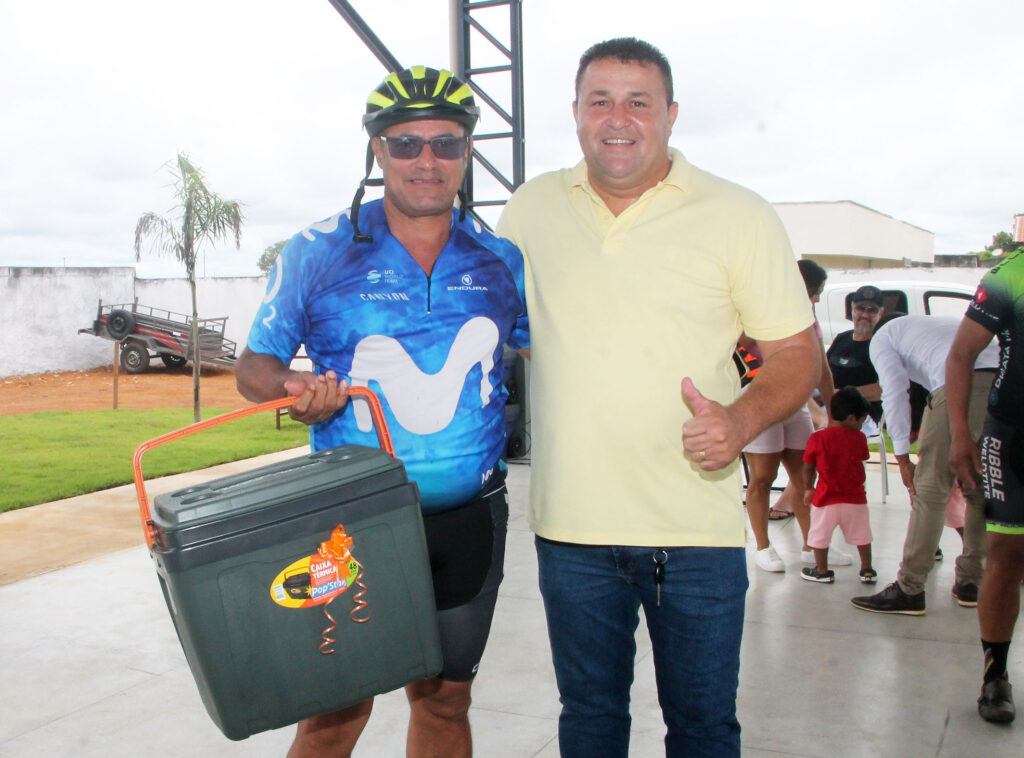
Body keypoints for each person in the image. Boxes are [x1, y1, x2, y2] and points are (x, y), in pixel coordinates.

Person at [497, 38, 819, 758]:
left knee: (704, 730)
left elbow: (799, 355)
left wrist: (740, 419)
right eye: (600, 100)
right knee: (589, 722)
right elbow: (479, 321)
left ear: (670, 114)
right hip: (570, 532)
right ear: (575, 114)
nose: (619, 117)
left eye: (639, 101)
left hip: (696, 534)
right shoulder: (530, 209)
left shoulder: (740, 214)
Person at [235, 66, 529, 758]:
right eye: (405, 144)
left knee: (446, 702)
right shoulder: (317, 251)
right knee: (335, 715)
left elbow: (533, 355)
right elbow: (254, 368)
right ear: (377, 150)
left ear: (466, 151)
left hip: (470, 518)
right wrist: (298, 394)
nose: (426, 161)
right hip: (351, 518)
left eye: (446, 143)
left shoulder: (500, 258)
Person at [850, 314, 998, 616]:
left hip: (961, 384)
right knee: (979, 489)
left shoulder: (883, 337)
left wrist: (902, 457)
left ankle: (909, 589)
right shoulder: (932, 327)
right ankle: (972, 582)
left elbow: (894, 393)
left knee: (929, 490)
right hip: (1005, 387)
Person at [946, 250, 1024, 724]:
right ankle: (995, 674)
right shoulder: (1010, 275)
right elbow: (961, 353)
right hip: (1013, 437)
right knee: (1006, 556)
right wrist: (959, 432)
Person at [742, 258, 838, 573]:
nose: (818, 299)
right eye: (816, 292)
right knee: (763, 479)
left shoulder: (809, 319)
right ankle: (763, 547)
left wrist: (831, 406)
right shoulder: (762, 310)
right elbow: (740, 344)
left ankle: (814, 545)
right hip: (759, 401)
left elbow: (820, 362)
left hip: (795, 402)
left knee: (804, 477)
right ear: (800, 289)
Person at [800, 386, 875, 584]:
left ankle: (822, 570)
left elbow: (808, 468)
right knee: (862, 535)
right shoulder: (860, 438)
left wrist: (809, 488)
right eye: (862, 419)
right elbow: (862, 459)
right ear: (851, 418)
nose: (862, 424)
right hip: (856, 498)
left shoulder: (817, 438)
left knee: (819, 535)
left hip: (825, 498)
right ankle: (867, 569)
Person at [826, 285, 885, 426]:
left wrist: (840, 395)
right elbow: (823, 372)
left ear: (880, 313)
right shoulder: (841, 339)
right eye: (860, 308)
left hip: (862, 413)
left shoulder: (882, 345)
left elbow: (883, 389)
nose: (865, 314)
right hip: (830, 406)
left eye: (872, 310)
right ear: (852, 308)